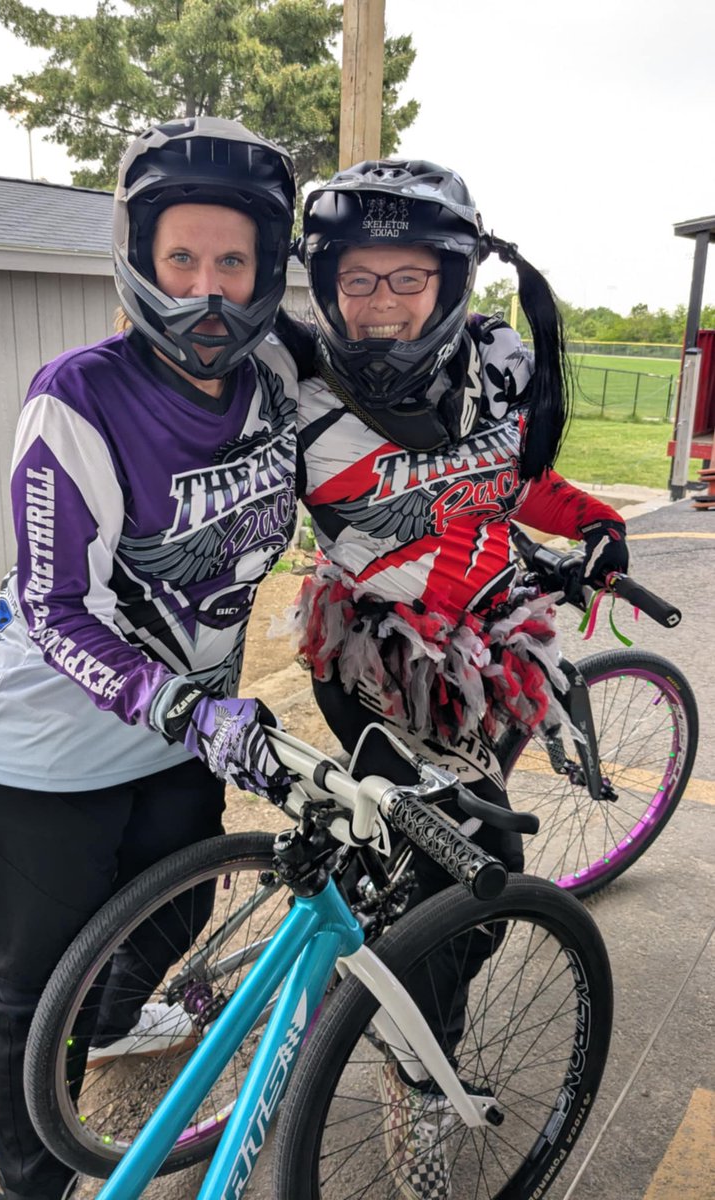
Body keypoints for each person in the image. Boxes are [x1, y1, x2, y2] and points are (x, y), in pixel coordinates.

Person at [0, 116, 299, 1200]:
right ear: (140, 257)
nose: (206, 290)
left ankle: (107, 1029)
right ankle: (31, 1178)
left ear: (265, 270)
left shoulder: (280, 378)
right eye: (180, 258)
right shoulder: (80, 395)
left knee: (171, 915)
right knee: (32, 992)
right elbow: (57, 607)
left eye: (232, 262)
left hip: (185, 727)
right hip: (43, 749)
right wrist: (192, 713)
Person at [286, 159, 629, 1198]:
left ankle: (382, 962)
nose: (382, 303)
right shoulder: (290, 379)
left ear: (450, 281)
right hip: (377, 660)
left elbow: (519, 478)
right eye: (360, 280)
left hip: (499, 655)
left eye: (407, 280)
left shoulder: (499, 364)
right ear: (326, 282)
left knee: (447, 858)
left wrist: (597, 523)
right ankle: (417, 1073)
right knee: (459, 880)